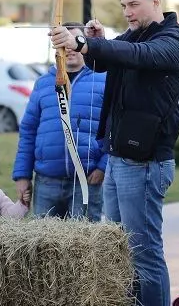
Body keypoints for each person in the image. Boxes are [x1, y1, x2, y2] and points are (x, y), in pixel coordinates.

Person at [49, 0, 179, 306]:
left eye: (134, 4)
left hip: (145, 162)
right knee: (118, 248)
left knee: (144, 252)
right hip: (121, 157)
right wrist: (98, 43)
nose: (127, 11)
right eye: (124, 5)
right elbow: (108, 60)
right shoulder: (133, 35)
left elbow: (139, 55)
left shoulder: (172, 40)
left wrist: (84, 43)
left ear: (156, 2)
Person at [13, 22, 107, 222]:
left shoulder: (102, 79)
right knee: (43, 247)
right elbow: (28, 131)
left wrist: (103, 166)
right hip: (47, 181)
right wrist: (22, 175)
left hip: (87, 180)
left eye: (74, 43)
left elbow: (115, 126)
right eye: (62, 44)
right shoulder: (43, 83)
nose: (69, 50)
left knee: (83, 245)